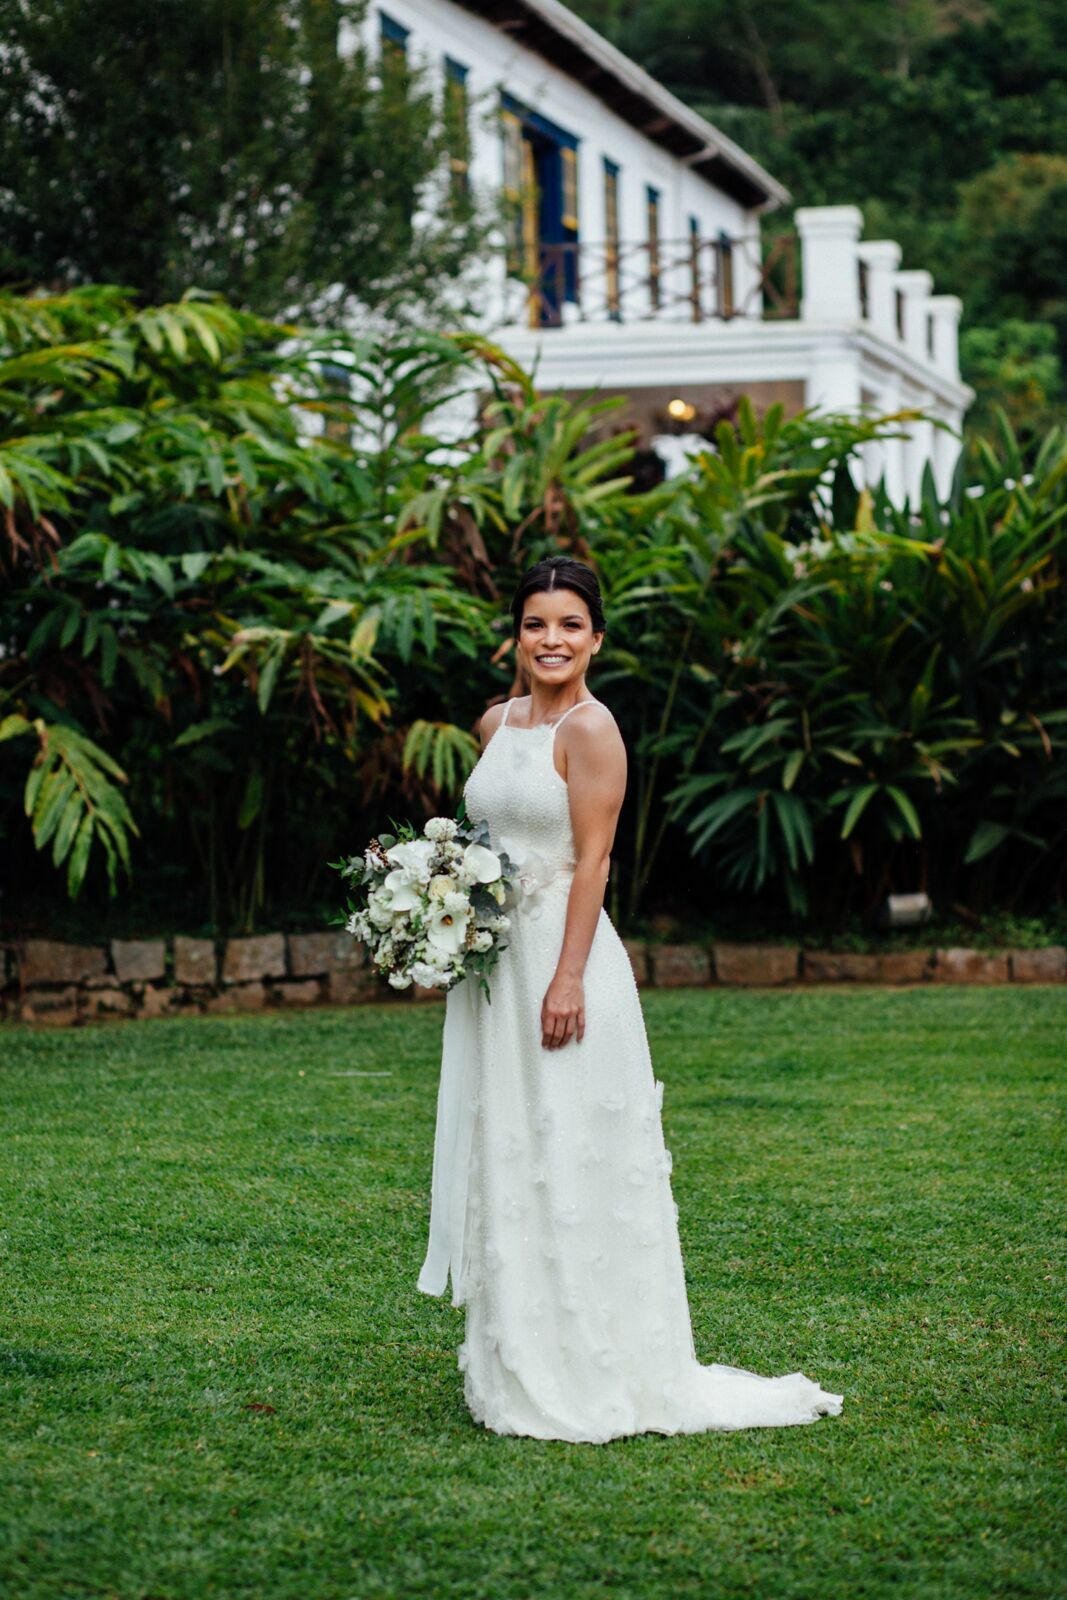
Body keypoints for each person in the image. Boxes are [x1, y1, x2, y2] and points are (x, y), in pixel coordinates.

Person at [417, 555, 844, 1442]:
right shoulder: (492, 722)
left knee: (572, 1152)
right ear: (517, 634)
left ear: (595, 639)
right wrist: (437, 908)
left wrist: (567, 975)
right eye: (536, 623)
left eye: (570, 624)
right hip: (497, 969)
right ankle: (518, 1358)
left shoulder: (593, 728)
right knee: (512, 1146)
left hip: (566, 963)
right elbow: (475, 842)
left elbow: (593, 860)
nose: (551, 639)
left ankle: (593, 1362)